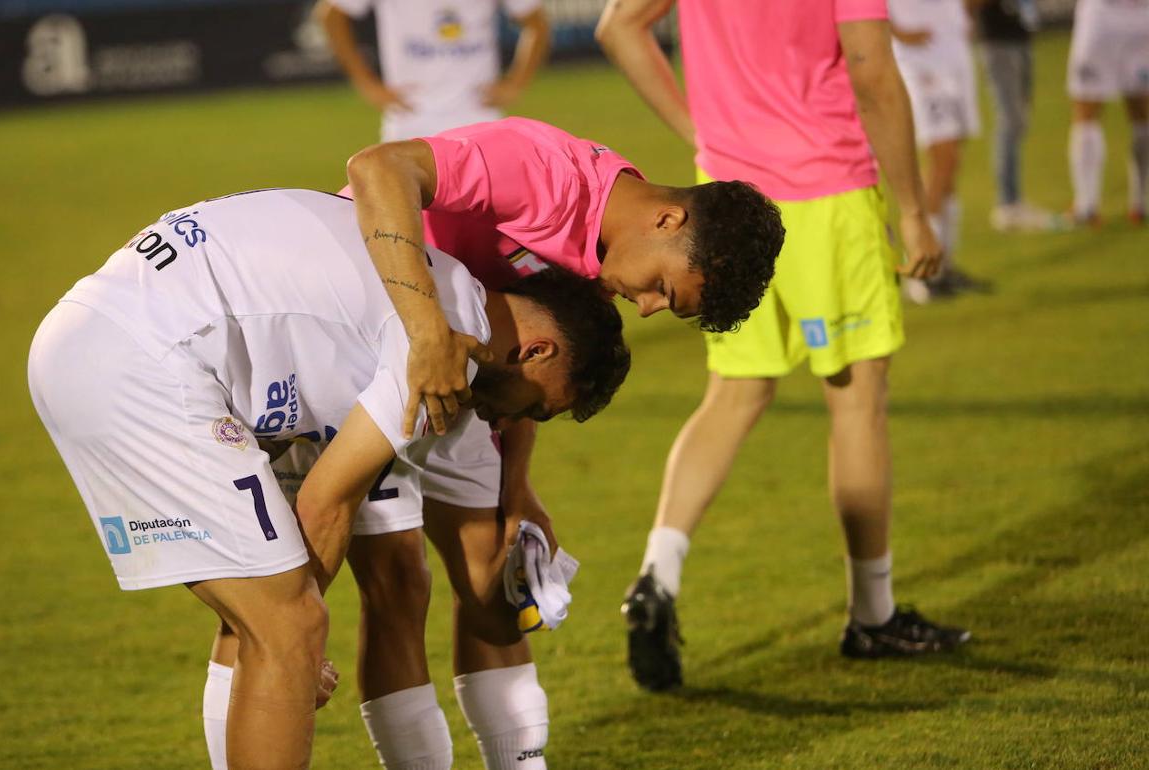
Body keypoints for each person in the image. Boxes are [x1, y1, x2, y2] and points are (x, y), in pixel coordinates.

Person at [26, 188, 630, 770]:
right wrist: (292, 651)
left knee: (268, 625)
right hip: (144, 361)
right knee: (287, 628)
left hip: (104, 334)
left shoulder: (447, 306)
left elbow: (480, 593)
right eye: (538, 408)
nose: (514, 421)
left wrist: (523, 568)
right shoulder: (439, 345)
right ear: (540, 351)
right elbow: (326, 500)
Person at [340, 116, 784, 768]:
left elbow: (528, 359)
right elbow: (377, 167)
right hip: (354, 337)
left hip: (457, 370)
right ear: (667, 221)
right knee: (387, 582)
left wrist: (516, 489)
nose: (649, 309)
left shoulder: (605, 250)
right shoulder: (543, 171)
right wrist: (426, 327)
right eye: (665, 289)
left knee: (493, 565)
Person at [597, 0, 970, 692]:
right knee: (857, 401)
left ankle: (658, 572)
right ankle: (873, 611)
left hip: (730, 196)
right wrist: (914, 209)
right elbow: (871, 70)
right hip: (827, 188)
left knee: (734, 395)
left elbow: (617, 27)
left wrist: (701, 134)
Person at [319, 0, 550, 141]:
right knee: (408, 218)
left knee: (486, 218)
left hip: (479, 116)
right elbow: (331, 15)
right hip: (411, 118)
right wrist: (365, 83)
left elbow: (536, 23)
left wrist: (515, 82)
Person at [889, 0, 988, 302]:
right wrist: (896, 31)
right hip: (922, 61)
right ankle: (922, 275)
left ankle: (944, 266)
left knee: (951, 164)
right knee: (942, 161)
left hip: (953, 52)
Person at [978, 0, 1066, 232]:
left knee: (1019, 120)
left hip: (1020, 37)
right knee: (1010, 120)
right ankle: (1008, 204)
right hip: (998, 41)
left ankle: (1012, 200)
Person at [1067, 0, 1149, 226]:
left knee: (1087, 112)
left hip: (1102, 17)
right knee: (1142, 112)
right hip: (1143, 17)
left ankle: (1087, 206)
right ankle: (1141, 203)